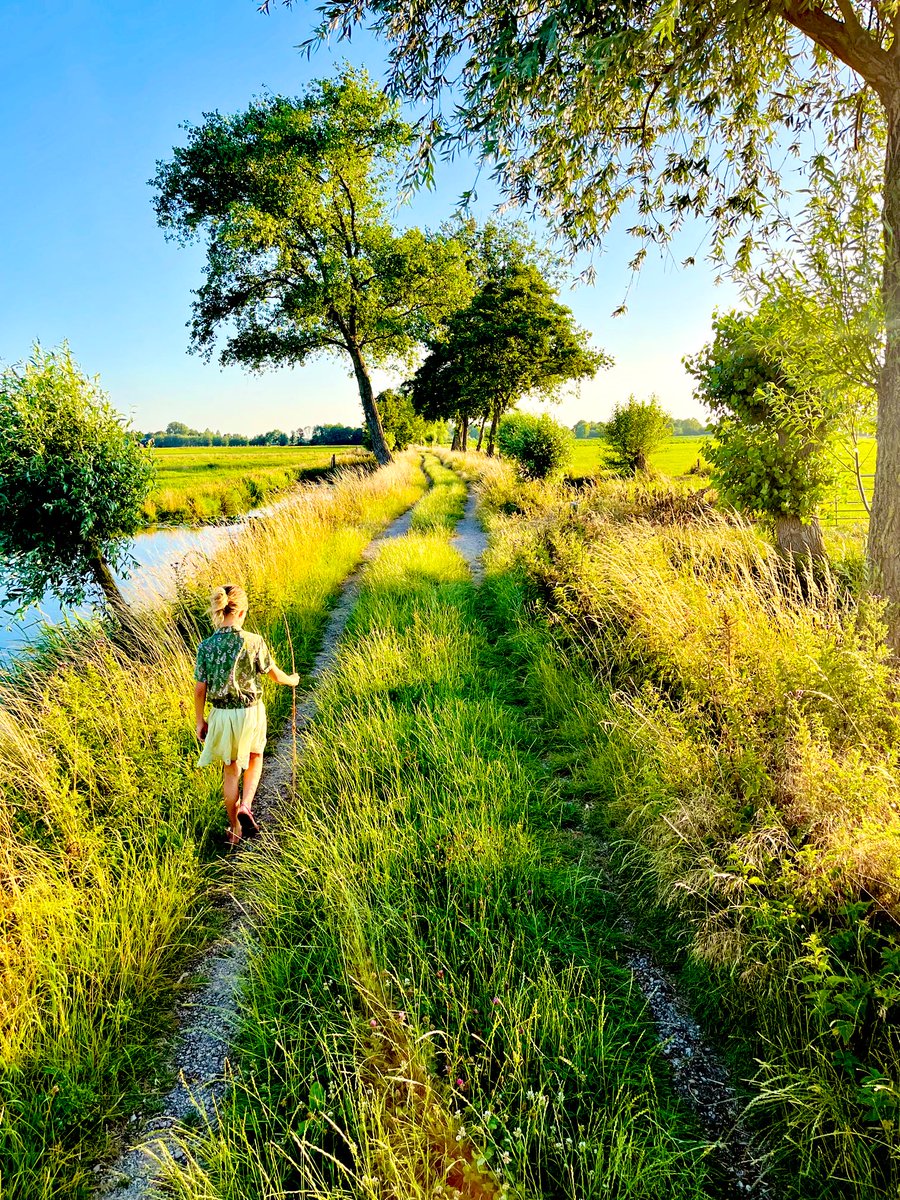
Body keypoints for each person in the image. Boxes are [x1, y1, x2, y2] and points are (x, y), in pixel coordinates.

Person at [193, 583, 299, 847]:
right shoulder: (253, 641)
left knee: (230, 772)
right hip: (250, 713)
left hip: (221, 715)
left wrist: (200, 720)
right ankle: (247, 806)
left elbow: (199, 690)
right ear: (241, 612)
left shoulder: (206, 646)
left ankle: (235, 828)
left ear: (221, 611)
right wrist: (292, 681)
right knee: (255, 757)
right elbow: (274, 674)